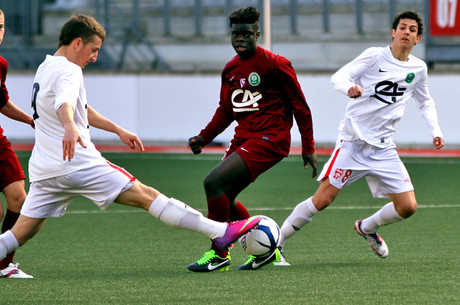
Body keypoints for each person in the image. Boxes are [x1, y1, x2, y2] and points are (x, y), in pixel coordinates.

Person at [0, 15, 263, 277]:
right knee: (147, 196)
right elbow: (64, 105)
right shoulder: (70, 70)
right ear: (78, 43)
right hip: (77, 163)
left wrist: (117, 130)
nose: (94, 57)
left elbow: (78, 107)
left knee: (19, 234)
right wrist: (69, 126)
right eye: (94, 50)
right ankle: (220, 232)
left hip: (46, 169)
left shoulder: (46, 67)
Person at [278, 10, 444, 260]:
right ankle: (276, 242)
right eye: (402, 27)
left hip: (384, 148)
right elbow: (339, 77)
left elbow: (425, 102)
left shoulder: (419, 69)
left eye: (412, 30)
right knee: (323, 200)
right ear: (393, 32)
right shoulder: (375, 56)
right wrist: (349, 87)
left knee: (408, 207)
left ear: (418, 38)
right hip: (353, 143)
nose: (406, 32)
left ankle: (367, 227)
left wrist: (435, 131)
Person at [186, 6, 317, 272]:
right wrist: (204, 137)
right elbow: (226, 109)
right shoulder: (231, 69)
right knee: (225, 196)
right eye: (236, 35)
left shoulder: (276, 64)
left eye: (246, 34)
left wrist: (308, 146)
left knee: (213, 182)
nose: (240, 39)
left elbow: (300, 106)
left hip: (271, 139)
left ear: (257, 35)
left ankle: (219, 253)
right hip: (244, 139)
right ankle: (267, 250)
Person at [0, 9, 35, 279]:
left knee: (19, 199)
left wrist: (29, 120)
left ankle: (3, 264)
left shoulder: (1, 64)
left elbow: (1, 101)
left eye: (0, 26)